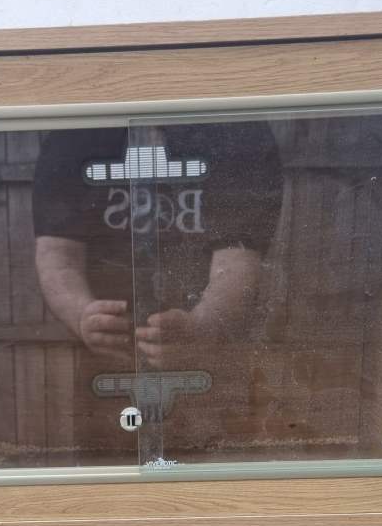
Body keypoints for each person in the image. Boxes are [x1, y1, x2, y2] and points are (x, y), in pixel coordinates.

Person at [32, 121, 282, 374]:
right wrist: (81, 314)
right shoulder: (75, 132)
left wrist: (204, 326)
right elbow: (58, 255)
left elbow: (238, 260)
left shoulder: (235, 129)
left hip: (212, 360)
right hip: (108, 361)